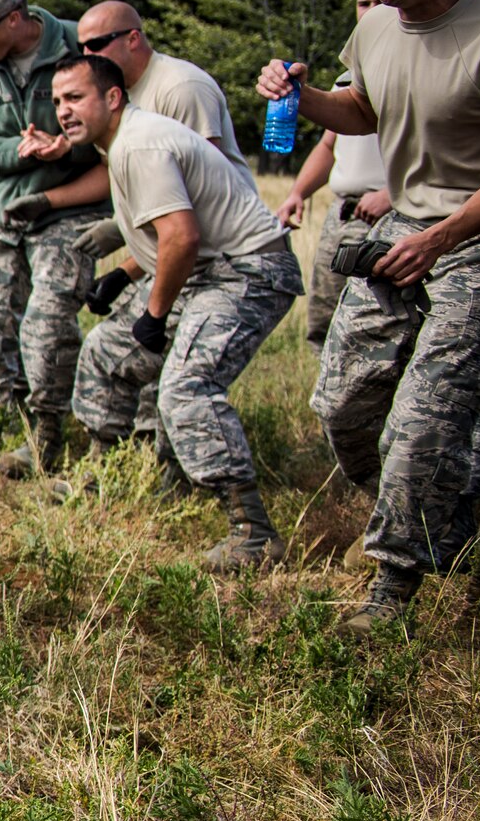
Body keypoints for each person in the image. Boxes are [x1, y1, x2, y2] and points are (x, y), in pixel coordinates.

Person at [258, 0, 480, 634]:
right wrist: (300, 97)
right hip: (403, 232)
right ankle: (439, 514)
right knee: (342, 405)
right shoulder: (376, 30)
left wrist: (440, 237)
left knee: (423, 420)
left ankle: (394, 586)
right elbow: (361, 112)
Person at [54, 54, 303, 567]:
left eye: (75, 98)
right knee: (105, 350)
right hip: (211, 272)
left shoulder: (139, 144)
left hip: (249, 272)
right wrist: (124, 274)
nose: (64, 110)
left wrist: (154, 313)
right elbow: (170, 234)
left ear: (113, 98)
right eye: (58, 101)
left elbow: (183, 237)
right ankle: (108, 474)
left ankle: (253, 531)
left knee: (187, 388)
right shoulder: (124, 142)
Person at [0, 0, 112, 476]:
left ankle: (47, 433)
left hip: (68, 207)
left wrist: (69, 146)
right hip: (4, 203)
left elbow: (113, 117)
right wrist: (22, 151)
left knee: (46, 325)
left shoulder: (78, 44)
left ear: (17, 18)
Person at [275, 0, 392, 349]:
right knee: (323, 322)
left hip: (390, 218)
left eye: (380, 1)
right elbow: (329, 144)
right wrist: (298, 191)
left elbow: (448, 148)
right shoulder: (351, 72)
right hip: (342, 216)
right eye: (363, 4)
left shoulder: (417, 61)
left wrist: (391, 196)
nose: (370, 11)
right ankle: (323, 405)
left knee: (375, 330)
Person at [75, 1, 254, 179]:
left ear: (133, 39)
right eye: (81, 46)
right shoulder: (114, 93)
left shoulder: (181, 86)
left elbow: (201, 176)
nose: (87, 54)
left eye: (97, 44)